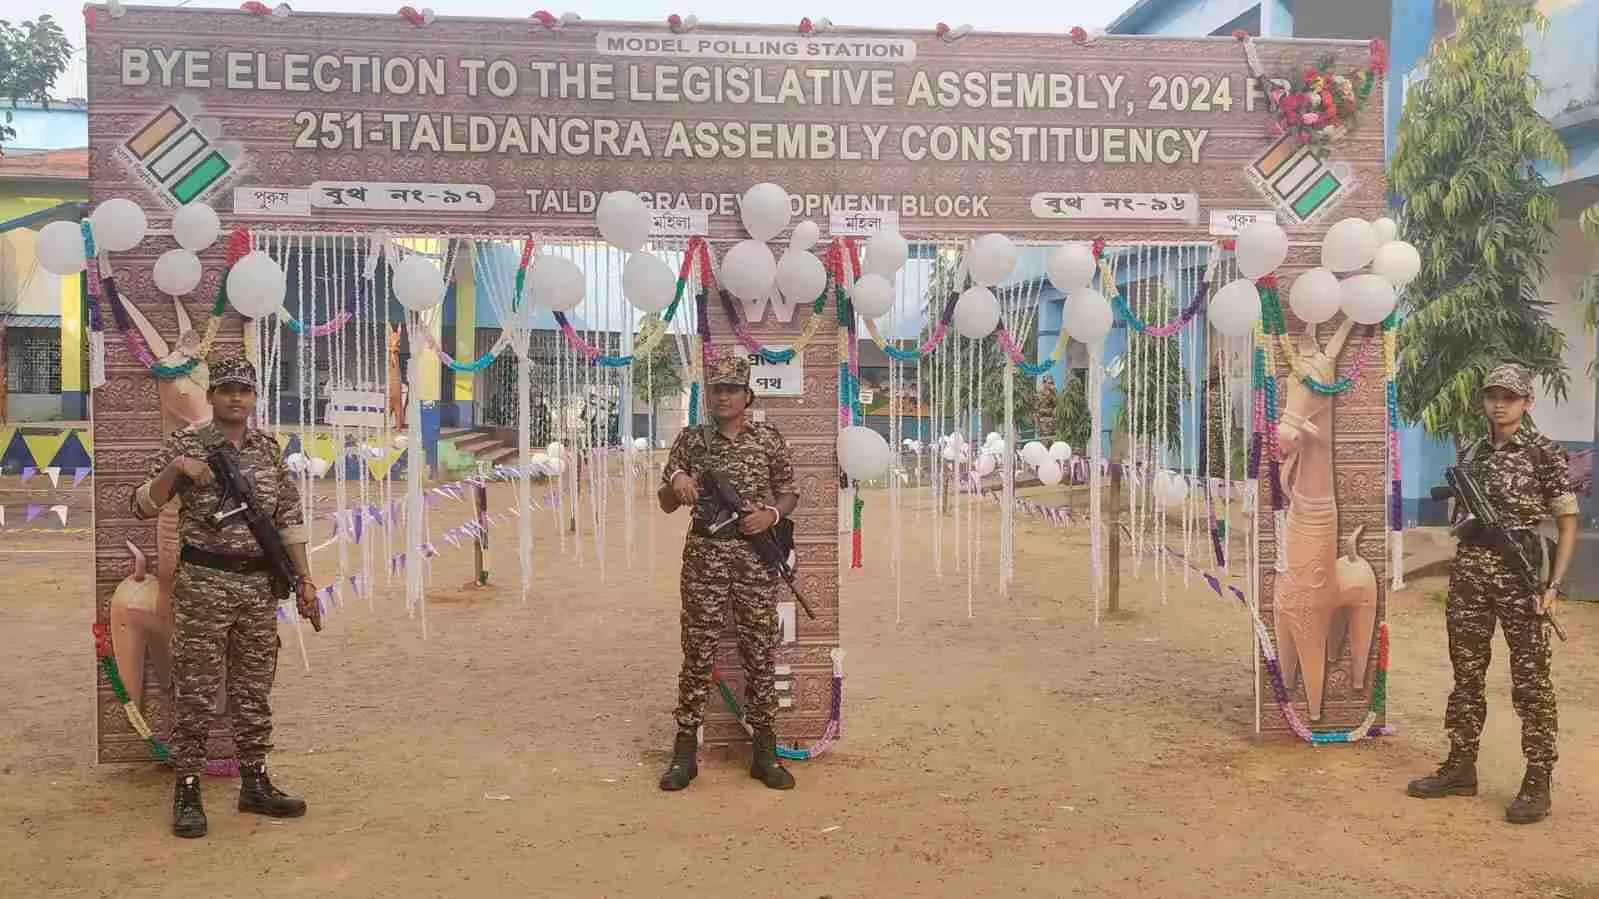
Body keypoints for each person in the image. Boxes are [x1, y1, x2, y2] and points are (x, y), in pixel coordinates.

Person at [131, 356, 321, 838]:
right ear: (212, 395)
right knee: (196, 688)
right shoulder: (187, 443)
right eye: (228, 389)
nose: (237, 397)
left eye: (245, 390)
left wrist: (304, 580)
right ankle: (188, 787)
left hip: (258, 589)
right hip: (204, 585)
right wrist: (175, 470)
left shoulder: (268, 450)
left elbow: (289, 521)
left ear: (254, 398)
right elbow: (141, 505)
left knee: (254, 688)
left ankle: (254, 782)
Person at [1406, 363, 1577, 824]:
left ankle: (1538, 778)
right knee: (1466, 674)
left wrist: (1554, 586)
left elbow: (1566, 523)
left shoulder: (1545, 455)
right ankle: (1461, 766)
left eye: (1510, 397)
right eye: (1492, 396)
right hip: (1471, 576)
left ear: (1527, 403)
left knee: (1531, 683)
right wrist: (1467, 521)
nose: (1499, 404)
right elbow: (1458, 519)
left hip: (1522, 579)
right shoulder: (1472, 452)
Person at [656, 350, 800, 792]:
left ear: (747, 395)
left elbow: (790, 492)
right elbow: (664, 503)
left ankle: (765, 753)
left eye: (732, 389)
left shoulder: (768, 438)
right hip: (705, 557)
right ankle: (685, 752)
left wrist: (771, 518)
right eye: (717, 389)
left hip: (756, 560)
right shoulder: (690, 441)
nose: (723, 396)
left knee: (760, 651)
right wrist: (676, 484)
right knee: (697, 651)